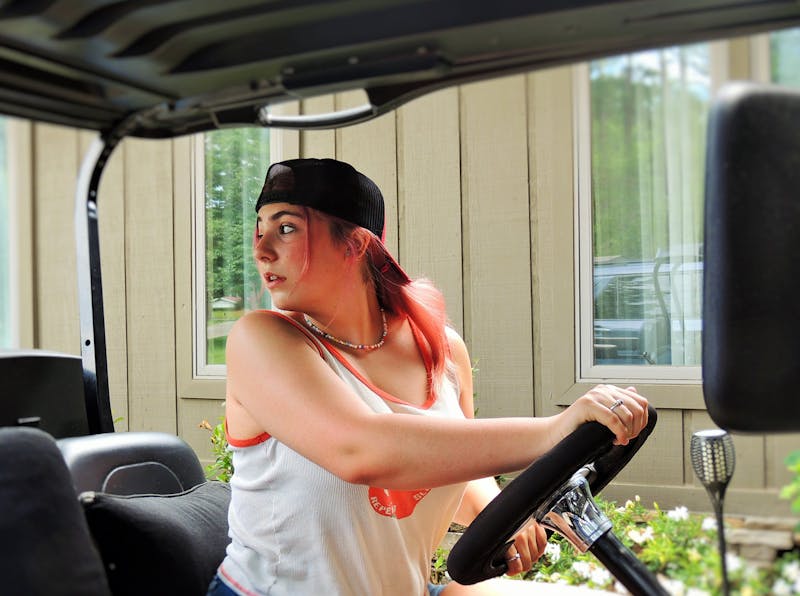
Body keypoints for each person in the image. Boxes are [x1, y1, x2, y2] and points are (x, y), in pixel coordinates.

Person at [207, 158, 650, 596]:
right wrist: (552, 432)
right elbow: (361, 449)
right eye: (260, 229)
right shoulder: (261, 340)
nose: (261, 249)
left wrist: (500, 511)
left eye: (286, 228)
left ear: (355, 245)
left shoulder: (440, 349)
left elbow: (454, 461)